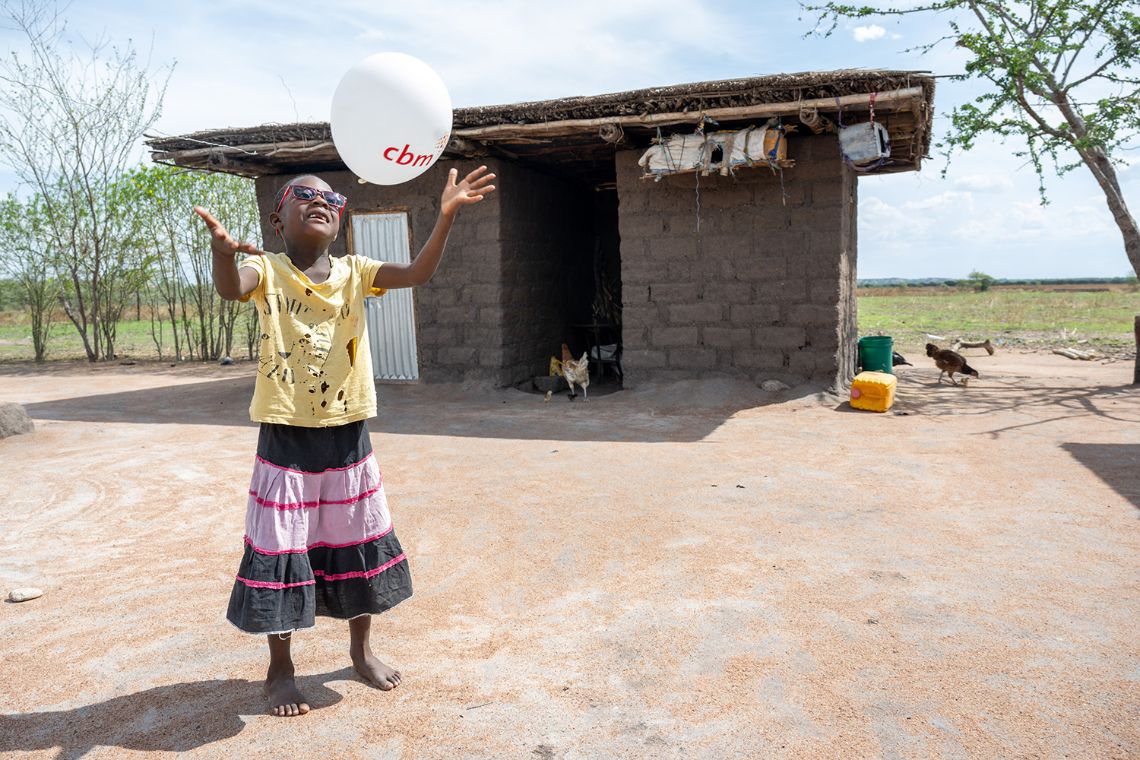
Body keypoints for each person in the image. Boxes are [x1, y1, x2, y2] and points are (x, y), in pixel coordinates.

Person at [194, 166, 496, 717]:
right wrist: (220, 254)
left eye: (332, 196)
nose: (321, 201)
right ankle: (280, 668)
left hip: (348, 433)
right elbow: (230, 287)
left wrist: (446, 215)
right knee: (282, 548)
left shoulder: (357, 272)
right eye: (303, 195)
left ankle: (361, 650)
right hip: (286, 436)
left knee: (356, 539)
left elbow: (418, 273)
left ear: (341, 217)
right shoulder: (266, 269)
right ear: (276, 219)